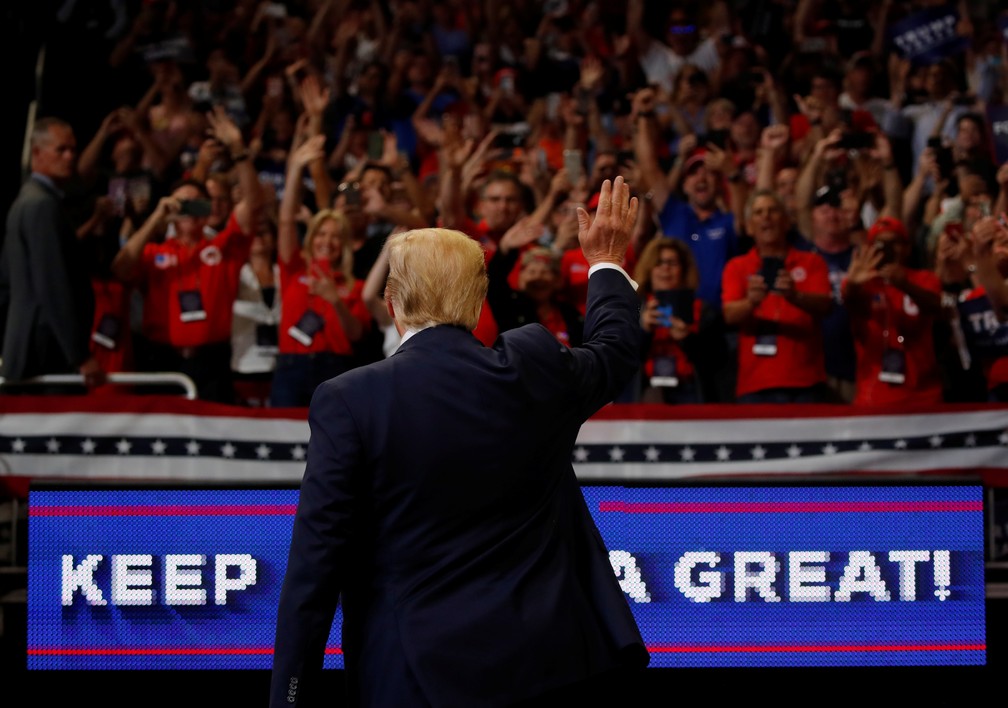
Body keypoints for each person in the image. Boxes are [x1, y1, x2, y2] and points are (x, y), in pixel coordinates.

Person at [270, 176, 649, 707]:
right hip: (552, 664)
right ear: (477, 301)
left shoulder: (351, 399)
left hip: (413, 678)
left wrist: (290, 695)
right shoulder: (534, 367)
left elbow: (315, 567)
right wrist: (606, 259)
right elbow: (615, 348)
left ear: (391, 302)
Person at [0, 117, 103, 388]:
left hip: (32, 348)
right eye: (61, 150)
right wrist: (79, 355)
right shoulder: (41, 206)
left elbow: (7, 281)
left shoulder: (26, 200)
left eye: (73, 149)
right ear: (37, 153)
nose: (70, 156)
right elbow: (53, 284)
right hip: (46, 353)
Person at [722, 189, 832, 403]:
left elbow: (826, 305)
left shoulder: (812, 262)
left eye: (773, 211)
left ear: (786, 222)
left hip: (806, 382)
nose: (766, 217)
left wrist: (795, 296)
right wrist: (751, 302)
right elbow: (729, 315)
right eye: (759, 212)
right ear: (749, 226)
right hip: (755, 384)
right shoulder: (736, 267)